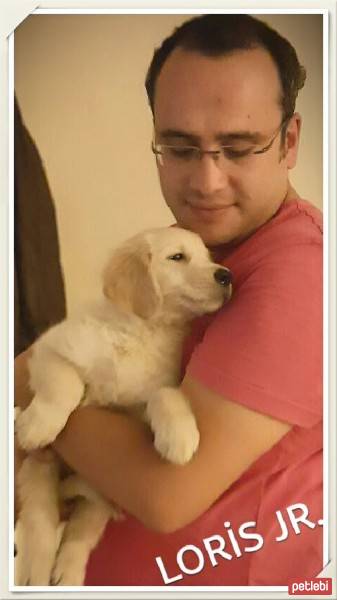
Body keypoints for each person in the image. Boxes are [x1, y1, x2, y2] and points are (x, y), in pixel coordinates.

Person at [15, 14, 323, 586]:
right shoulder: (209, 246)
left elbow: (164, 493)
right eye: (179, 147)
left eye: (238, 147)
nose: (205, 182)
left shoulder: (300, 275)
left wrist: (48, 393)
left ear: (290, 141)